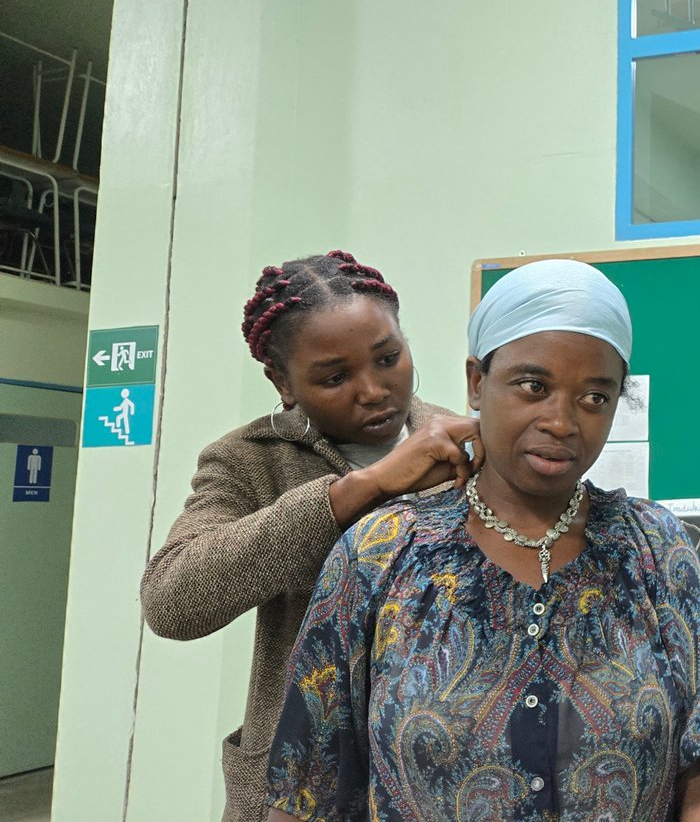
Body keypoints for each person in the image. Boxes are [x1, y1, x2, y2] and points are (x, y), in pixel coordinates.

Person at [264, 259, 700, 821]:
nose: (562, 422)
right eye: (533, 386)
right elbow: (308, 787)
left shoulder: (655, 550)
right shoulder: (378, 555)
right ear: (477, 383)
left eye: (595, 397)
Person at [141, 250, 481, 822]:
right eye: (334, 377)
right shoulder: (249, 461)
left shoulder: (467, 445)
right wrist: (354, 493)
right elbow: (172, 602)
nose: (372, 390)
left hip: (446, 775)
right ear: (284, 382)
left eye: (388, 358)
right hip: (299, 789)